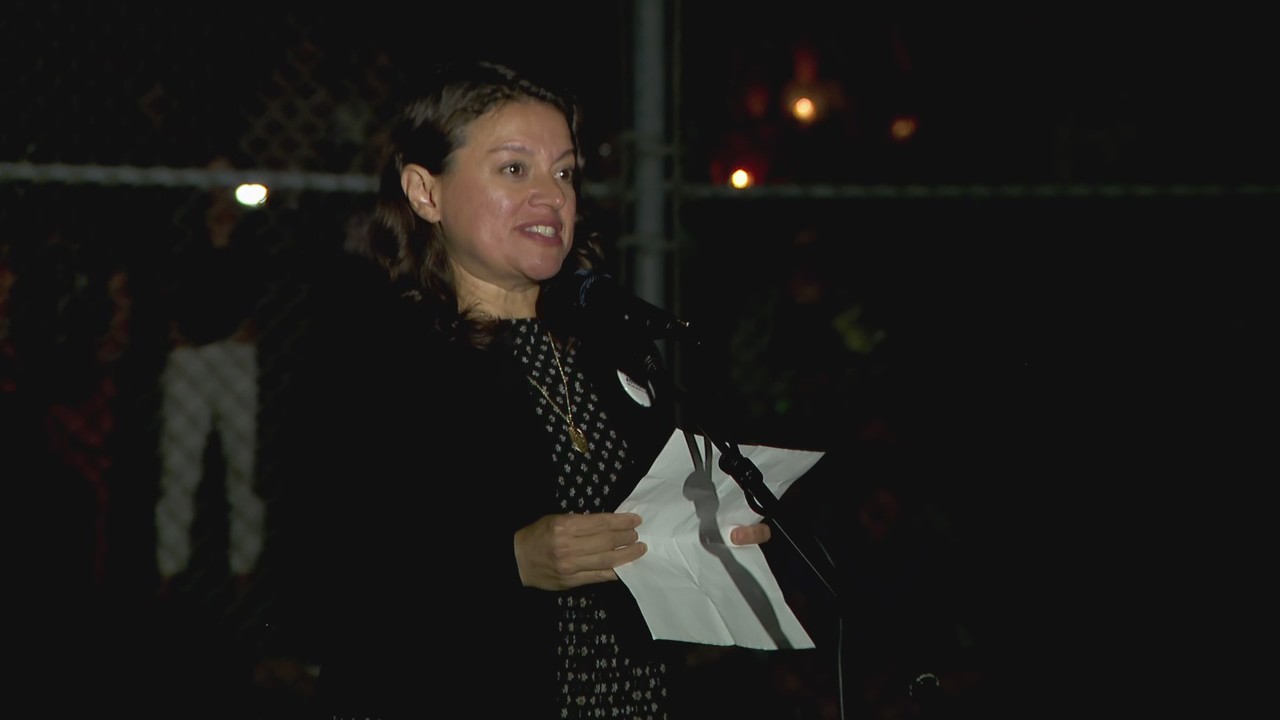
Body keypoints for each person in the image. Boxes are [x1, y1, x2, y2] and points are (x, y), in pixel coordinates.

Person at [284, 59, 774, 719]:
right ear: (425, 193)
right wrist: (509, 561)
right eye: (515, 169)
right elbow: (328, 578)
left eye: (564, 172)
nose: (552, 196)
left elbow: (646, 534)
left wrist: (709, 539)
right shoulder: (372, 357)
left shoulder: (609, 345)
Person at [154, 154, 269, 597]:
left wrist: (250, 327)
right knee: (179, 467)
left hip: (236, 355)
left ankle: (244, 567)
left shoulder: (254, 232)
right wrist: (175, 332)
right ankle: (169, 567)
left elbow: (268, 284)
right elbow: (167, 283)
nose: (220, 189)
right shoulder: (184, 231)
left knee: (243, 465)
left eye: (228, 179)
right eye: (213, 178)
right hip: (191, 355)